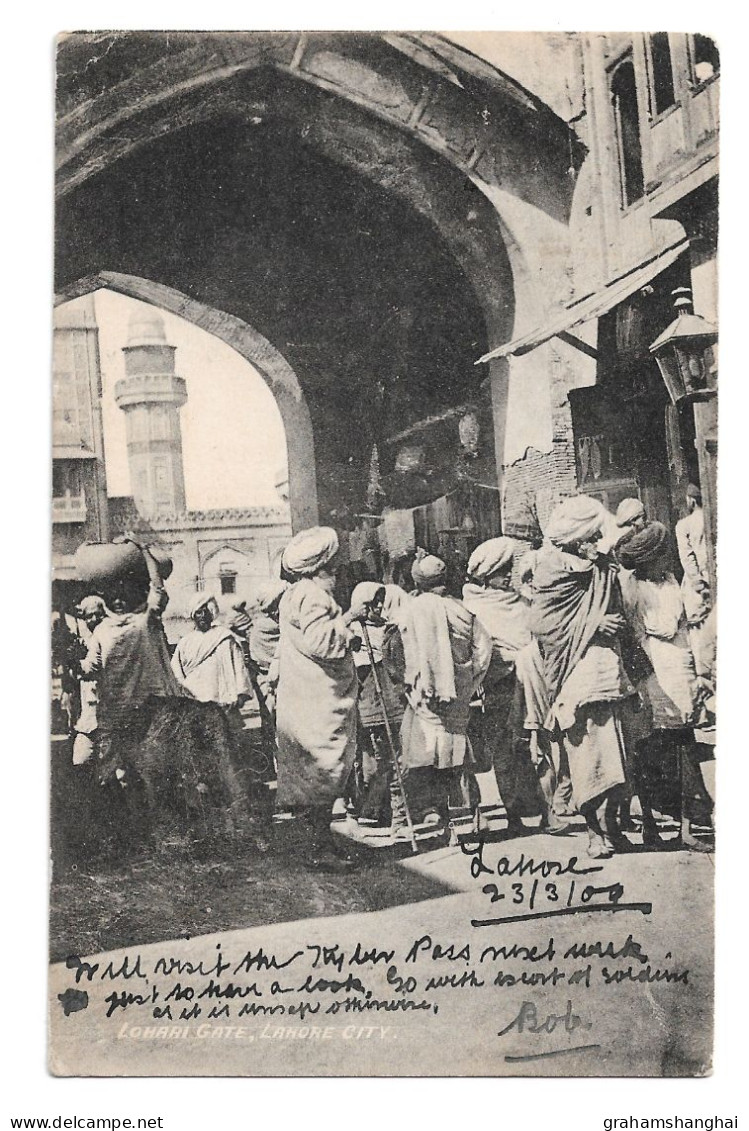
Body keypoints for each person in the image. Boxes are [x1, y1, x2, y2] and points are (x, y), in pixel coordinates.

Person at [532, 495, 636, 858]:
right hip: (575, 676)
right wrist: (594, 624)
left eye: (597, 537)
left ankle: (613, 829)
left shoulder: (605, 569)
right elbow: (544, 626)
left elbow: (620, 609)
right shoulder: (550, 569)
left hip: (609, 671)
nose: (595, 544)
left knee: (616, 755)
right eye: (589, 538)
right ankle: (594, 834)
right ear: (576, 539)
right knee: (585, 755)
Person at [275, 526, 366, 871]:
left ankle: (319, 846)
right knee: (324, 771)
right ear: (322, 564)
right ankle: (319, 850)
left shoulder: (295, 594)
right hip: (319, 698)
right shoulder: (312, 596)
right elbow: (322, 643)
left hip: (307, 694)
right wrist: (352, 619)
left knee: (317, 773)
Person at [619, 523, 713, 851]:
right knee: (651, 751)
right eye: (661, 556)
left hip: (680, 665)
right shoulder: (632, 588)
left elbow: (683, 623)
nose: (667, 561)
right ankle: (650, 826)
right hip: (654, 670)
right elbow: (639, 633)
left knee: (685, 747)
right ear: (647, 560)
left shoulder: (670, 580)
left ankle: (687, 828)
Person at [462, 537, 564, 835]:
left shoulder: (522, 602)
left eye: (509, 568)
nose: (508, 575)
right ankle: (513, 815)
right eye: (501, 571)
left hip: (534, 682)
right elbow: (478, 652)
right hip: (499, 688)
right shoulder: (474, 608)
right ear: (486, 575)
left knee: (542, 746)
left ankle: (549, 813)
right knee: (506, 752)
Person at [398, 551, 492, 833]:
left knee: (429, 752)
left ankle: (435, 813)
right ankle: (472, 815)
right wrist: (468, 682)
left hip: (423, 698)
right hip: (458, 696)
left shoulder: (408, 610)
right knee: (458, 752)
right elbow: (483, 651)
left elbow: (399, 654)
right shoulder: (462, 610)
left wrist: (413, 685)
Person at [348, 582, 406, 829]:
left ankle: (400, 815)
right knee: (373, 766)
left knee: (398, 762)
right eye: (374, 602)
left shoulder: (390, 629)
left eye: (382, 600)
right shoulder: (351, 631)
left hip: (393, 704)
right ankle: (372, 808)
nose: (381, 606)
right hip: (367, 707)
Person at [171, 594, 254, 717]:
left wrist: (241, 693)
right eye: (198, 613)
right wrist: (184, 691)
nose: (203, 616)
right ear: (193, 616)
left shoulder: (225, 637)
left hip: (221, 697)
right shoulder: (185, 642)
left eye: (206, 612)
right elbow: (176, 669)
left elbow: (238, 666)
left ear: (212, 614)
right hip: (194, 697)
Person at [675, 485, 716, 698]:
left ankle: (705, 680)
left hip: (697, 584)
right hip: (714, 576)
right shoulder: (713, 517)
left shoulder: (684, 525)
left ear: (691, 500)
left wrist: (698, 583)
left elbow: (687, 558)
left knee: (699, 631)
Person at [72, 596, 107, 767]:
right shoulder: (85, 642)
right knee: (80, 762)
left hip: (108, 717)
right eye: (88, 616)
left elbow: (92, 666)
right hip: (88, 718)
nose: (93, 620)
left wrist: (75, 661)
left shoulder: (109, 639)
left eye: (98, 615)